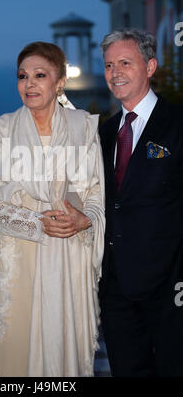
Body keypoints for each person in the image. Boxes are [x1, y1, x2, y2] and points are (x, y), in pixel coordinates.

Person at [0, 41, 105, 377]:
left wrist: (84, 218)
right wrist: (35, 222)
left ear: (60, 81)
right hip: (18, 262)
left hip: (69, 258)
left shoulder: (83, 128)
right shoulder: (2, 130)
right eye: (22, 76)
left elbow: (96, 192)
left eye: (40, 75)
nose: (29, 83)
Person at [99, 29, 183, 376]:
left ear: (150, 66)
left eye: (124, 63)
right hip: (117, 288)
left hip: (171, 288)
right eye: (107, 65)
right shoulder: (102, 134)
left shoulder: (178, 123)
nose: (114, 72)